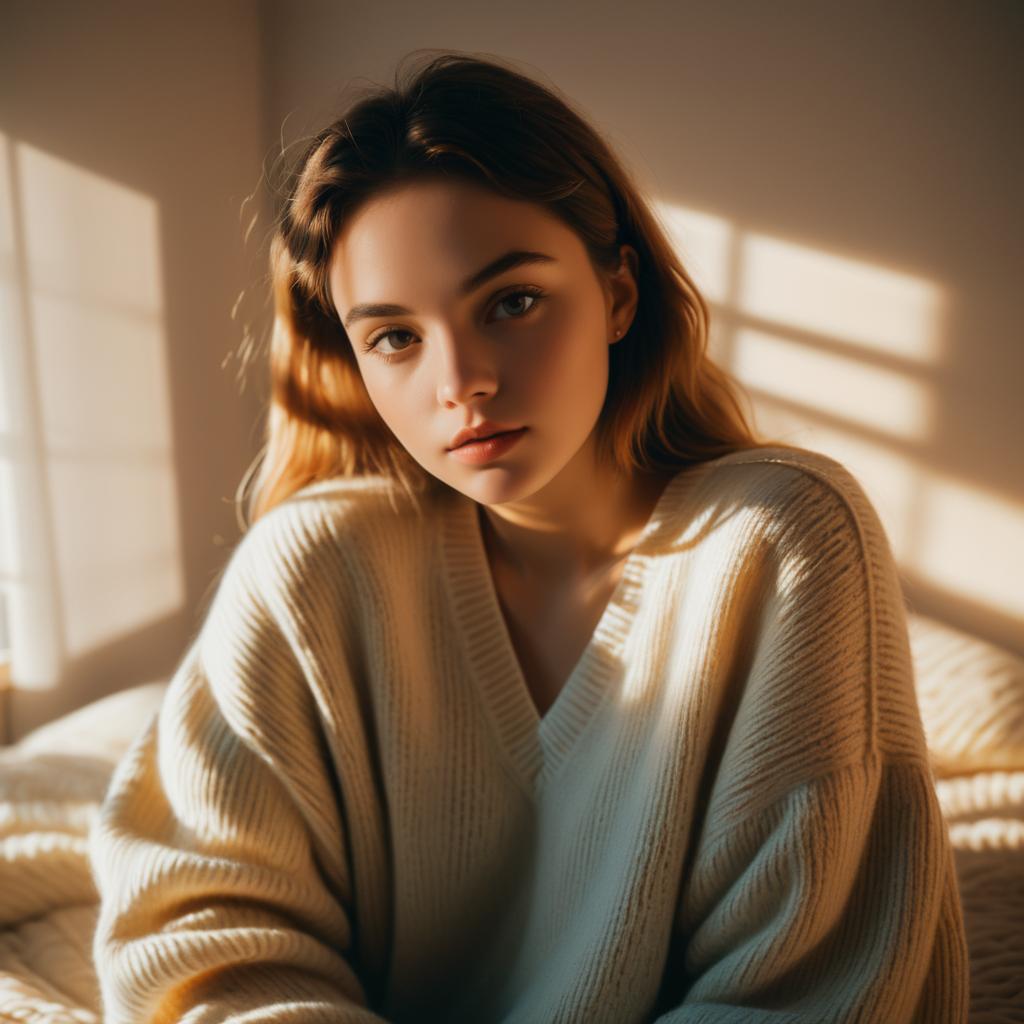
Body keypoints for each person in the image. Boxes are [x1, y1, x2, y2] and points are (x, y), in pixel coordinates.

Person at [88, 49, 970, 1023]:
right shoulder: (313, 567)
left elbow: (811, 990)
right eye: (394, 336)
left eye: (511, 302)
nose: (460, 379)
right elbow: (201, 937)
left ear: (619, 296)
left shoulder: (781, 538)